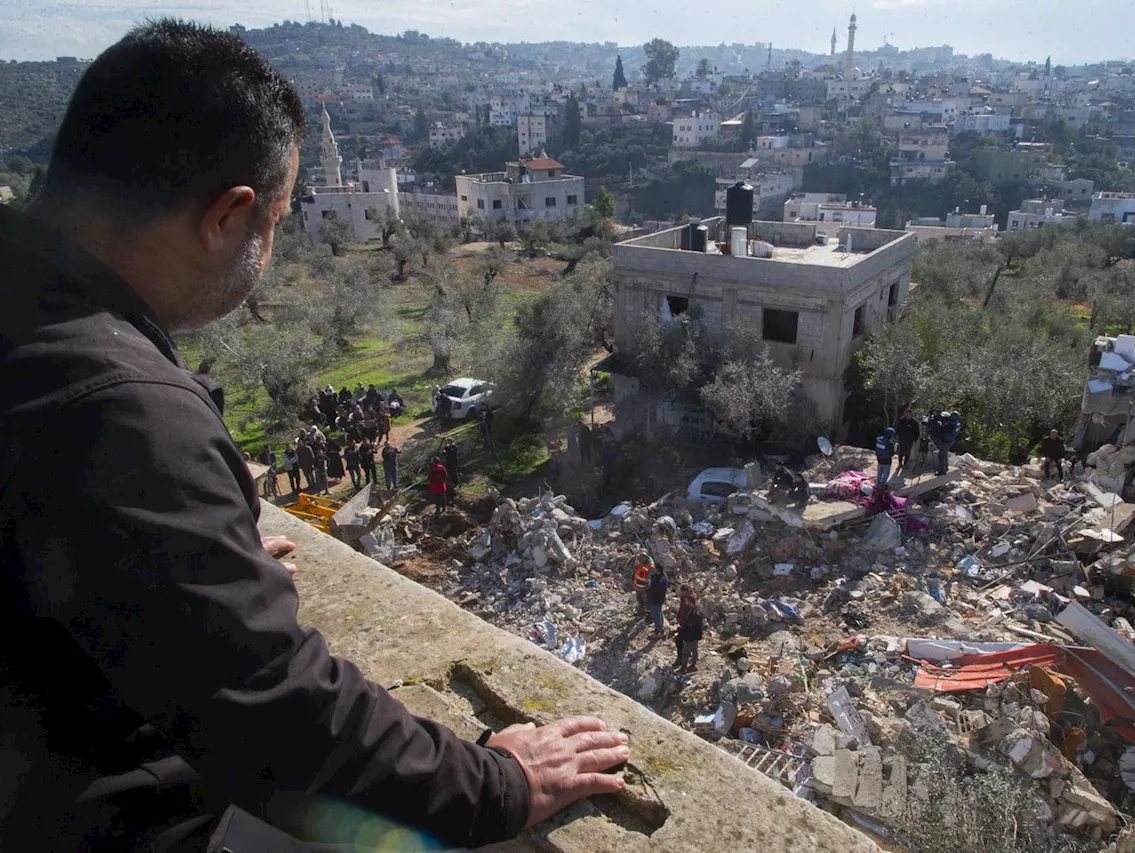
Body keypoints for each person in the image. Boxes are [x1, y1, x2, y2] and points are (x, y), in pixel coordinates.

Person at [0, 23, 630, 850]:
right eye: (280, 219)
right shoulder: (119, 408)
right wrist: (501, 785)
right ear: (230, 216)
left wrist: (195, 552)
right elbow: (282, 713)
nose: (271, 246)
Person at [674, 588, 704, 674]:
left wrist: (677, 628)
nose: (685, 602)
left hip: (690, 636)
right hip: (697, 635)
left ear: (691, 602)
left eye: (687, 601)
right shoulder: (698, 608)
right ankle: (693, 666)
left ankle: (683, 669)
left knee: (686, 653)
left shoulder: (693, 614)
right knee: (694, 650)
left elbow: (688, 628)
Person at [930, 410, 961, 475]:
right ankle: (946, 467)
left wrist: (939, 425)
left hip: (945, 441)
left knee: (941, 455)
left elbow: (943, 432)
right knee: (945, 453)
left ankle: (942, 471)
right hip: (951, 441)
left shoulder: (950, 425)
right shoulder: (957, 424)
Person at [895, 409, 921, 473]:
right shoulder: (902, 420)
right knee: (900, 452)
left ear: (910, 414)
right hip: (902, 439)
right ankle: (900, 464)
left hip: (909, 440)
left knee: (907, 452)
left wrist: (915, 439)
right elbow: (898, 429)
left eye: (906, 413)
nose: (905, 414)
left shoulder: (915, 422)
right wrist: (898, 436)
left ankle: (905, 464)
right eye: (904, 413)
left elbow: (917, 432)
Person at [647, 564, 670, 637]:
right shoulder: (662, 575)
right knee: (659, 613)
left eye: (655, 569)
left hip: (656, 599)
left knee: (656, 615)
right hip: (659, 599)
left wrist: (648, 589)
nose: (653, 570)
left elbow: (653, 589)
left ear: (658, 570)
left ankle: (658, 632)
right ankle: (661, 628)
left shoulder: (661, 581)